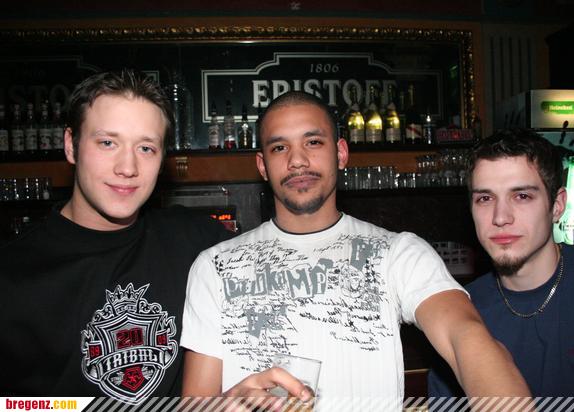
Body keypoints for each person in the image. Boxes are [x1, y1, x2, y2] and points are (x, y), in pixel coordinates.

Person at [180, 91, 530, 409]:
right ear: (262, 166)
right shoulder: (216, 267)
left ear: (341, 154)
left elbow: (464, 335)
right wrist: (227, 404)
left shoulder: (397, 253)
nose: (297, 160)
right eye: (279, 148)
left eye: (313, 142)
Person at [0, 70, 230, 404]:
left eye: (146, 148)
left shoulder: (196, 239)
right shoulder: (11, 275)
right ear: (71, 145)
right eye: (108, 143)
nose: (127, 167)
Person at [428, 128, 574, 396]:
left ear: (557, 205)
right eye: (485, 198)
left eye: (522, 196)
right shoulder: (460, 314)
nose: (500, 217)